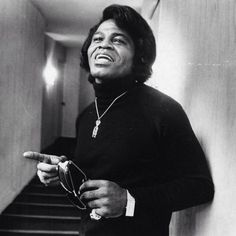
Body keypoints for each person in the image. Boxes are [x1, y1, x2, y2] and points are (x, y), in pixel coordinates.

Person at [24, 4, 214, 236]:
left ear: (139, 56)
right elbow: (95, 178)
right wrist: (63, 171)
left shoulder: (164, 110)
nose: (104, 44)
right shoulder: (85, 116)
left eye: (118, 40)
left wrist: (129, 200)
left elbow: (200, 187)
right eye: (98, 39)